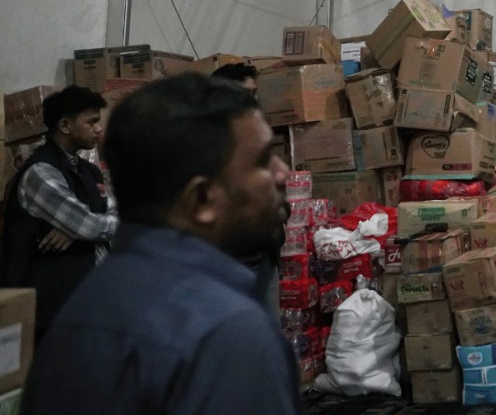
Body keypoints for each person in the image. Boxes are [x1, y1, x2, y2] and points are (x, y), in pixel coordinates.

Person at [20, 73, 300, 414]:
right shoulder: (228, 332)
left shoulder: (79, 314)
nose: (283, 173)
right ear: (202, 198)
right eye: (262, 161)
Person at [0, 85, 117, 341]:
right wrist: (86, 227)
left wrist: (76, 230)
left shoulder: (89, 171)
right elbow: (91, 224)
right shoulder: (41, 172)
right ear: (65, 126)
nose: (99, 128)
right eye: (92, 121)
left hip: (89, 297)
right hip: (53, 308)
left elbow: (110, 216)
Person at [213, 61, 279, 318]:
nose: (255, 100)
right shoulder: (203, 142)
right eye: (247, 93)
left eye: (255, 92)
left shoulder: (254, 135)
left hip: (264, 255)